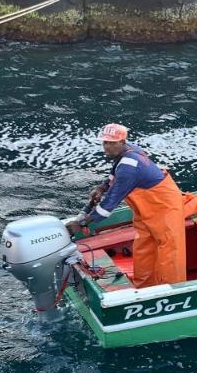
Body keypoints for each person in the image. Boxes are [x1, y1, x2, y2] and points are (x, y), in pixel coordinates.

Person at [71, 123, 187, 288]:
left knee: (170, 252)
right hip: (146, 210)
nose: (107, 147)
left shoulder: (129, 168)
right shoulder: (128, 151)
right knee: (143, 248)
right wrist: (102, 187)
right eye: (105, 142)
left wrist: (81, 223)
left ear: (122, 141)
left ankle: (173, 290)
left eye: (112, 143)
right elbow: (115, 172)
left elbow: (107, 206)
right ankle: (144, 286)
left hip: (165, 208)